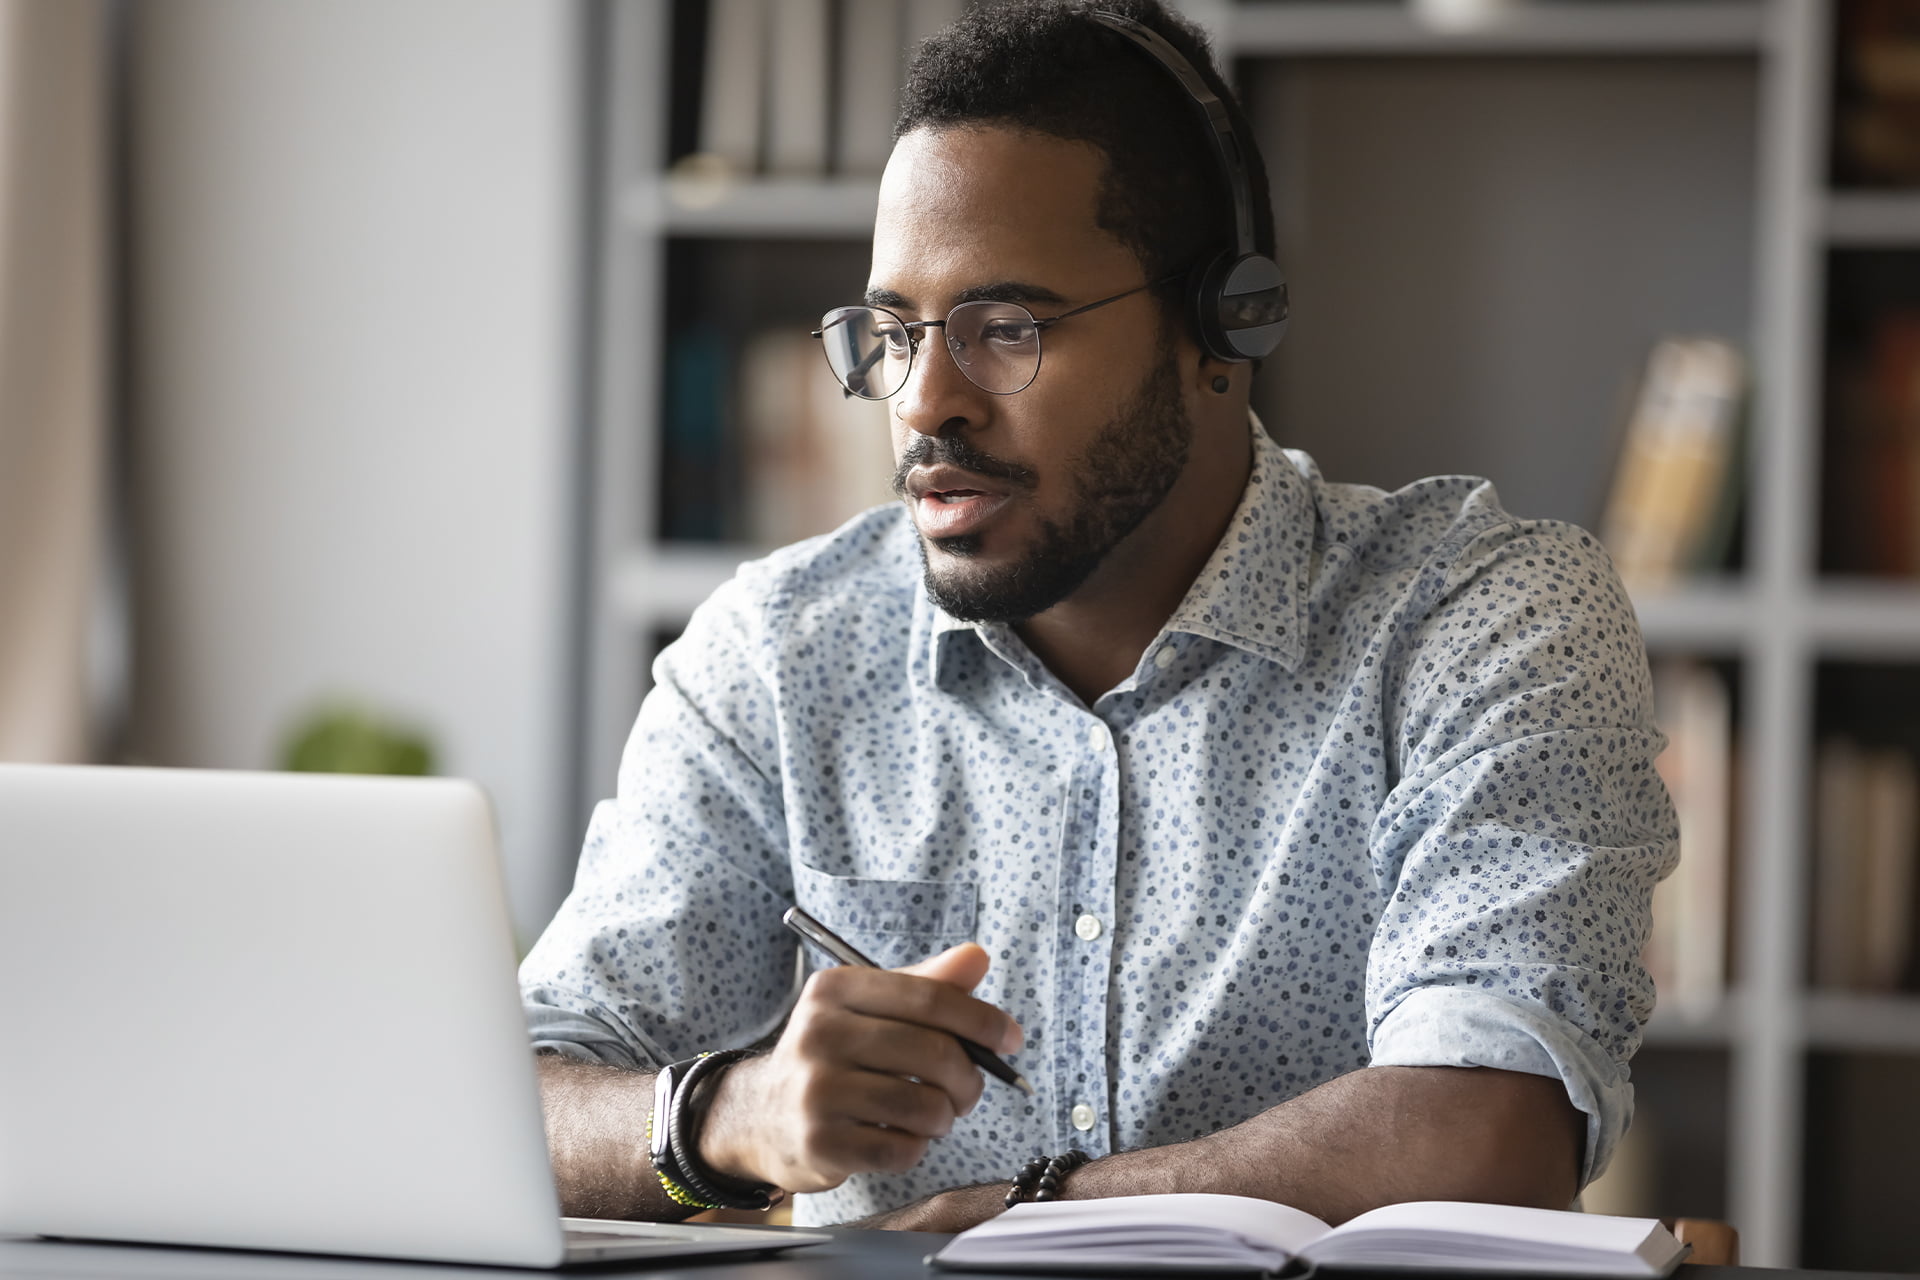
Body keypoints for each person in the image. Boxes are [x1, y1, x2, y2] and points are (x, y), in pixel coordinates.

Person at [519, 0, 1676, 1233]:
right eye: (895, 333)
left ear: (1224, 325)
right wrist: (726, 1115)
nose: (924, 405)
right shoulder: (780, 653)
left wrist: (1036, 1212)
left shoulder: (1484, 618)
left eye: (1005, 327)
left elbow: (1488, 1130)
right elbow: (511, 1100)